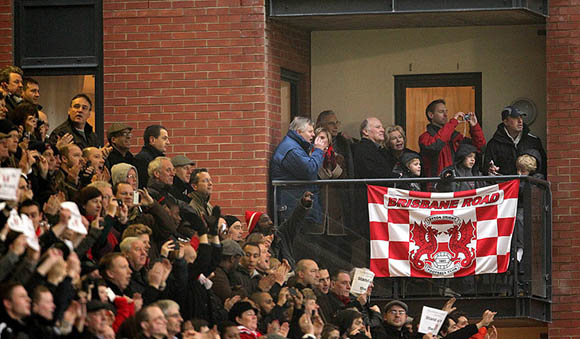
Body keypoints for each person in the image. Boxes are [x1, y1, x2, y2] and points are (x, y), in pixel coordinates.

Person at [270, 116, 328, 225]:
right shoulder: (291, 149)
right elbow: (309, 170)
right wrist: (318, 151)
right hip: (294, 207)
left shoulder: (295, 146)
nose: (313, 135)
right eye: (310, 131)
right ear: (299, 132)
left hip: (298, 205)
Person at [419, 99, 485, 178]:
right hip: (436, 184)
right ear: (431, 115)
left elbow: (480, 148)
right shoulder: (425, 138)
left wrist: (474, 127)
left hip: (458, 182)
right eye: (441, 112)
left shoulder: (455, 137)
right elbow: (436, 145)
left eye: (446, 111)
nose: (446, 115)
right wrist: (453, 123)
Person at [484, 105, 547, 177]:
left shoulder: (534, 141)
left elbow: (543, 167)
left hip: (529, 186)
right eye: (515, 118)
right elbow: (486, 170)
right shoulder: (493, 144)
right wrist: (491, 170)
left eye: (521, 117)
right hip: (506, 186)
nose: (520, 121)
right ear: (505, 121)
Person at [316, 110, 354, 178]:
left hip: (342, 184)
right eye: (331, 123)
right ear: (321, 125)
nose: (336, 127)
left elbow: (350, 167)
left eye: (337, 123)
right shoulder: (314, 143)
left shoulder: (343, 141)